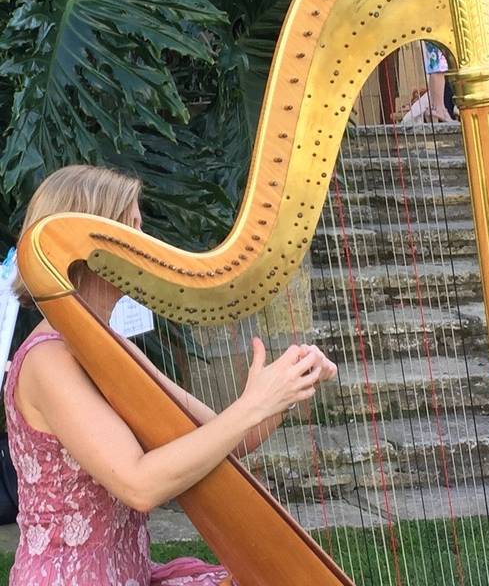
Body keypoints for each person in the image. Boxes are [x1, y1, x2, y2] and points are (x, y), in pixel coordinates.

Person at [5, 165, 337, 585]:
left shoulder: (105, 346)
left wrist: (289, 384)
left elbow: (225, 437)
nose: (149, 247)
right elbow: (139, 484)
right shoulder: (48, 359)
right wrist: (254, 404)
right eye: (133, 232)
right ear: (92, 249)